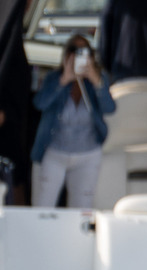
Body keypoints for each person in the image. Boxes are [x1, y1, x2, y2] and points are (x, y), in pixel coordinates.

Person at [31, 35, 116, 209]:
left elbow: (110, 108)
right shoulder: (54, 78)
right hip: (55, 153)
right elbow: (39, 103)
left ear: (91, 56)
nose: (78, 56)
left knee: (81, 213)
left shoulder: (98, 80)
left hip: (88, 154)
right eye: (73, 51)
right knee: (42, 208)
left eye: (84, 52)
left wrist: (96, 80)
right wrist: (64, 80)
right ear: (66, 55)